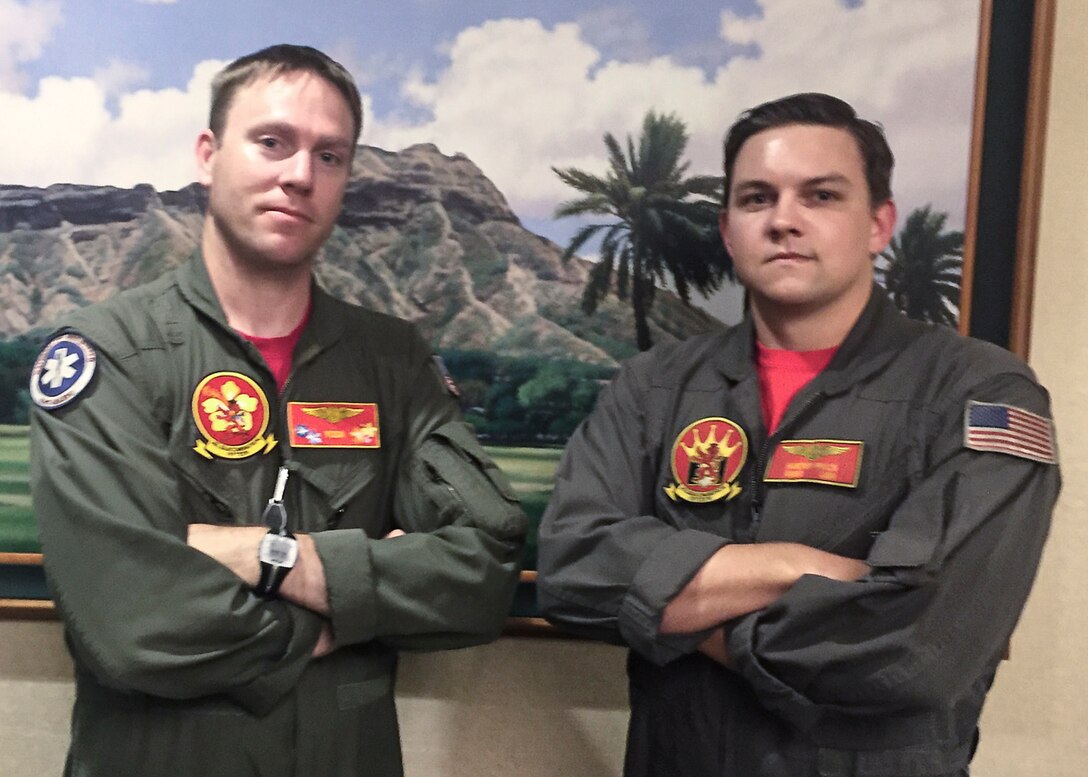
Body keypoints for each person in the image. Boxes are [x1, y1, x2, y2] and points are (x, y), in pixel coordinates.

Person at [29, 44, 526, 777]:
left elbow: (483, 570)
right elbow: (133, 623)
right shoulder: (109, 354)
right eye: (273, 142)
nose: (300, 175)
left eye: (330, 156)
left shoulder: (393, 361)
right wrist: (349, 610)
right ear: (208, 154)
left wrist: (265, 556)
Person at [537, 93, 1059, 777]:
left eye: (820, 195)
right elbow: (572, 570)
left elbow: (919, 648)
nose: (784, 220)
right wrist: (795, 568)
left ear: (878, 224)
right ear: (728, 231)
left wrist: (670, 610)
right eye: (757, 198)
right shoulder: (653, 385)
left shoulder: (979, 391)